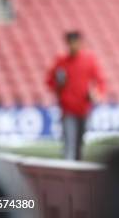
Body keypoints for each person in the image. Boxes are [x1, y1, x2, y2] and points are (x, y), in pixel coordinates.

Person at [46, 31, 106, 160]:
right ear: (67, 44)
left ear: (80, 43)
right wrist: (58, 86)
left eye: (76, 43)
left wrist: (96, 93)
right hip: (67, 110)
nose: (73, 46)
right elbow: (50, 82)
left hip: (84, 109)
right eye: (71, 43)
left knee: (79, 144)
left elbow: (100, 81)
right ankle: (68, 172)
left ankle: (76, 171)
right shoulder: (61, 62)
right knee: (69, 144)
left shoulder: (89, 60)